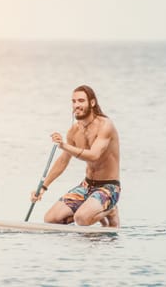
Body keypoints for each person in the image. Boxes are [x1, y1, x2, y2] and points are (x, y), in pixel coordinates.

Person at [30, 85, 121, 227]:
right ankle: (92, 209)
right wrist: (43, 187)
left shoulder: (105, 125)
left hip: (108, 187)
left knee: (81, 219)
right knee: (51, 219)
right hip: (87, 185)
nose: (76, 105)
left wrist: (64, 145)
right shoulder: (74, 131)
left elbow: (94, 155)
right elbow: (63, 161)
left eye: (81, 101)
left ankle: (111, 210)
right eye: (73, 101)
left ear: (92, 103)